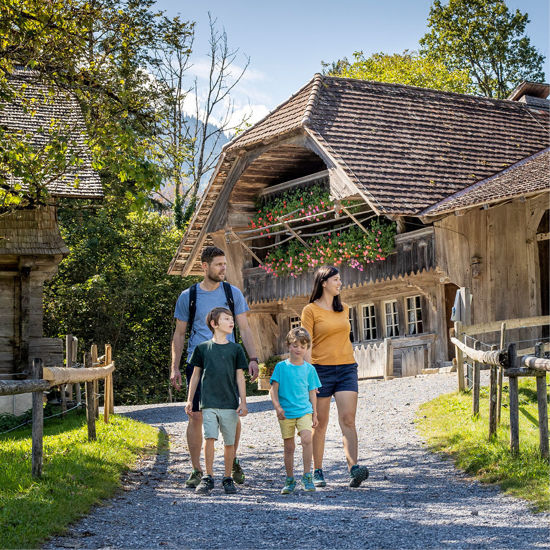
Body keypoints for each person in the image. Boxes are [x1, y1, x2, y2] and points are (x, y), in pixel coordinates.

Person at [170, 246, 259, 488]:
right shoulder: (188, 296)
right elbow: (179, 334)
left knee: (231, 414)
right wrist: (175, 367)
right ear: (204, 266)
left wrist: (252, 358)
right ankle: (197, 470)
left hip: (228, 362)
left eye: (225, 264)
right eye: (218, 264)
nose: (223, 269)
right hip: (199, 361)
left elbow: (245, 328)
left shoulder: (233, 294)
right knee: (196, 416)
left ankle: (232, 460)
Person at [301, 265, 369, 488]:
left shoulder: (345, 309)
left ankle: (353, 469)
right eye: (336, 280)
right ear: (323, 283)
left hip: (347, 368)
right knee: (319, 423)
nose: (340, 283)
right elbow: (306, 344)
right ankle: (317, 471)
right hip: (321, 371)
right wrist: (309, 375)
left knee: (348, 419)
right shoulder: (310, 310)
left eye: (340, 280)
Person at [185, 307, 248, 494]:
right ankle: (208, 477)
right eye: (226, 319)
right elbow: (195, 376)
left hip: (229, 403)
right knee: (209, 437)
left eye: (232, 319)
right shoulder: (202, 348)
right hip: (208, 403)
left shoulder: (236, 349)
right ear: (214, 324)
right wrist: (190, 400)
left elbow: (240, 377)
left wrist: (243, 402)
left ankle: (227, 478)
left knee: (229, 442)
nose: (231, 322)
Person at [269, 327, 321, 495]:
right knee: (289, 447)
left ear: (307, 348)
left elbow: (312, 392)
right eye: (295, 345)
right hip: (285, 413)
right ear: (288, 345)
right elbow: (273, 389)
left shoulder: (309, 369)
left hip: (304, 410)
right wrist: (277, 407)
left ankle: (307, 475)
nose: (299, 349)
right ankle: (290, 479)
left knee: (307, 439)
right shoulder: (281, 367)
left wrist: (315, 413)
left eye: (303, 346)